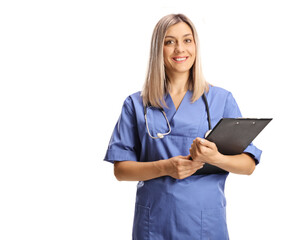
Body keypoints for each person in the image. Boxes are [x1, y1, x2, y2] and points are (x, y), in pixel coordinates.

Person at [104, 13, 262, 240]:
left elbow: (248, 165)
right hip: (154, 225)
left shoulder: (221, 100)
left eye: (187, 40)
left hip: (205, 225)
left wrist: (216, 158)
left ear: (196, 45)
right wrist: (165, 167)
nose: (180, 49)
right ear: (158, 49)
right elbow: (120, 170)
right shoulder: (136, 104)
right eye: (170, 41)